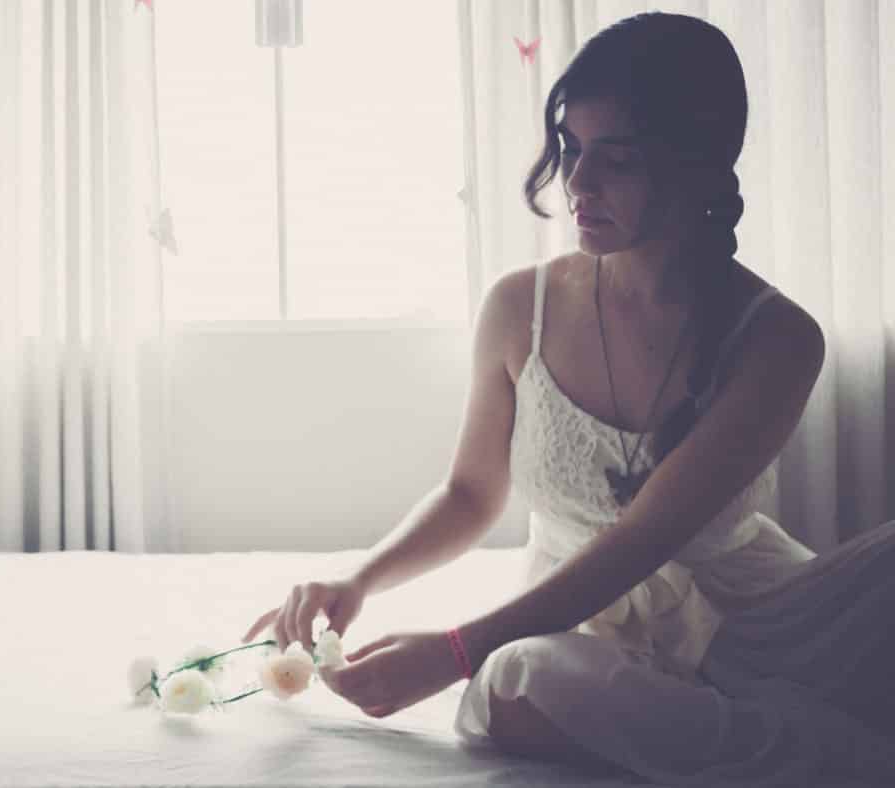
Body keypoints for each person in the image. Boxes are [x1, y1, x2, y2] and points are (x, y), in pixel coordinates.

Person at [241, 12, 895, 786]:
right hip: (571, 632)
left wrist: (452, 650)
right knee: (521, 683)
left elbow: (642, 540)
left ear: (698, 164)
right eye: (571, 150)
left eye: (616, 158)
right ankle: (834, 755)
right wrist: (358, 582)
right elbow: (469, 492)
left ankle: (788, 729)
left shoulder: (778, 338)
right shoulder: (522, 306)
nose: (577, 184)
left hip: (751, 622)